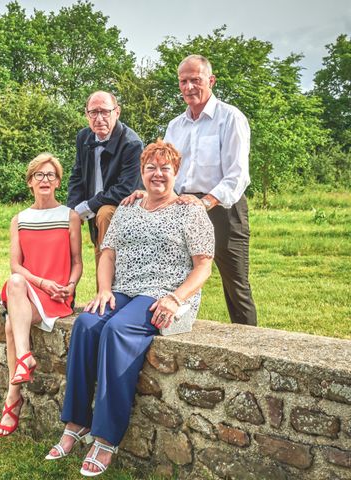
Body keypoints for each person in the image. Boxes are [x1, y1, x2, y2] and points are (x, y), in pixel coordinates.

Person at [46, 140, 214, 476]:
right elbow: (108, 253)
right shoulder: (128, 208)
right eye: (150, 167)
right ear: (141, 171)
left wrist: (175, 298)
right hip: (123, 289)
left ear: (175, 172)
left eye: (165, 168)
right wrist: (104, 289)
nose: (157, 174)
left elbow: (203, 266)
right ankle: (77, 421)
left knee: (117, 330)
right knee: (87, 324)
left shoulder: (190, 211)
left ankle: (106, 437)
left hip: (165, 294)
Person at [124, 54, 257, 326]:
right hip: (182, 207)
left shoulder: (230, 118)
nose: (189, 87)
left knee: (236, 284)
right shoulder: (175, 125)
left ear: (211, 80)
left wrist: (206, 202)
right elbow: (167, 170)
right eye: (183, 81)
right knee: (176, 275)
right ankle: (171, 332)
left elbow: (237, 175)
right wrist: (148, 194)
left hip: (223, 209)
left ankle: (249, 346)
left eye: (195, 80)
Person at [0, 153, 83, 437]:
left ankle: (13, 397)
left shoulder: (69, 216)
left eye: (50, 175)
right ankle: (25, 359)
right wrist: (42, 283)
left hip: (58, 295)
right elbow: (16, 265)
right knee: (16, 280)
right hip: (29, 290)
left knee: (12, 324)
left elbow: (77, 261)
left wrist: (69, 285)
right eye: (39, 175)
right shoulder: (19, 219)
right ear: (30, 182)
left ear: (58, 182)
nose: (44, 180)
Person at [67, 91, 144, 269]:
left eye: (105, 112)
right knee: (66, 221)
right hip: (94, 208)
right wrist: (72, 211)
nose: (99, 118)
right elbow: (77, 176)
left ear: (117, 112)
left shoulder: (132, 143)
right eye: (94, 112)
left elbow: (125, 190)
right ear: (86, 115)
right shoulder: (83, 137)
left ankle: (108, 292)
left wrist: (87, 206)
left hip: (124, 209)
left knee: (105, 213)